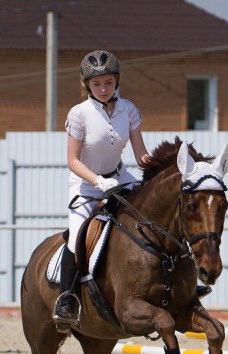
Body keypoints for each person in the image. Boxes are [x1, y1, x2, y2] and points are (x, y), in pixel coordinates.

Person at [52, 49, 151, 329]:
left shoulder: (128, 109)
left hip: (119, 177)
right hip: (85, 185)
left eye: (108, 82)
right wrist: (97, 181)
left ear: (116, 81)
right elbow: (72, 160)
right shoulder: (79, 114)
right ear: (87, 85)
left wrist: (160, 168)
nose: (103, 89)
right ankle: (67, 299)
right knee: (76, 238)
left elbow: (141, 153)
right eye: (97, 84)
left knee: (154, 214)